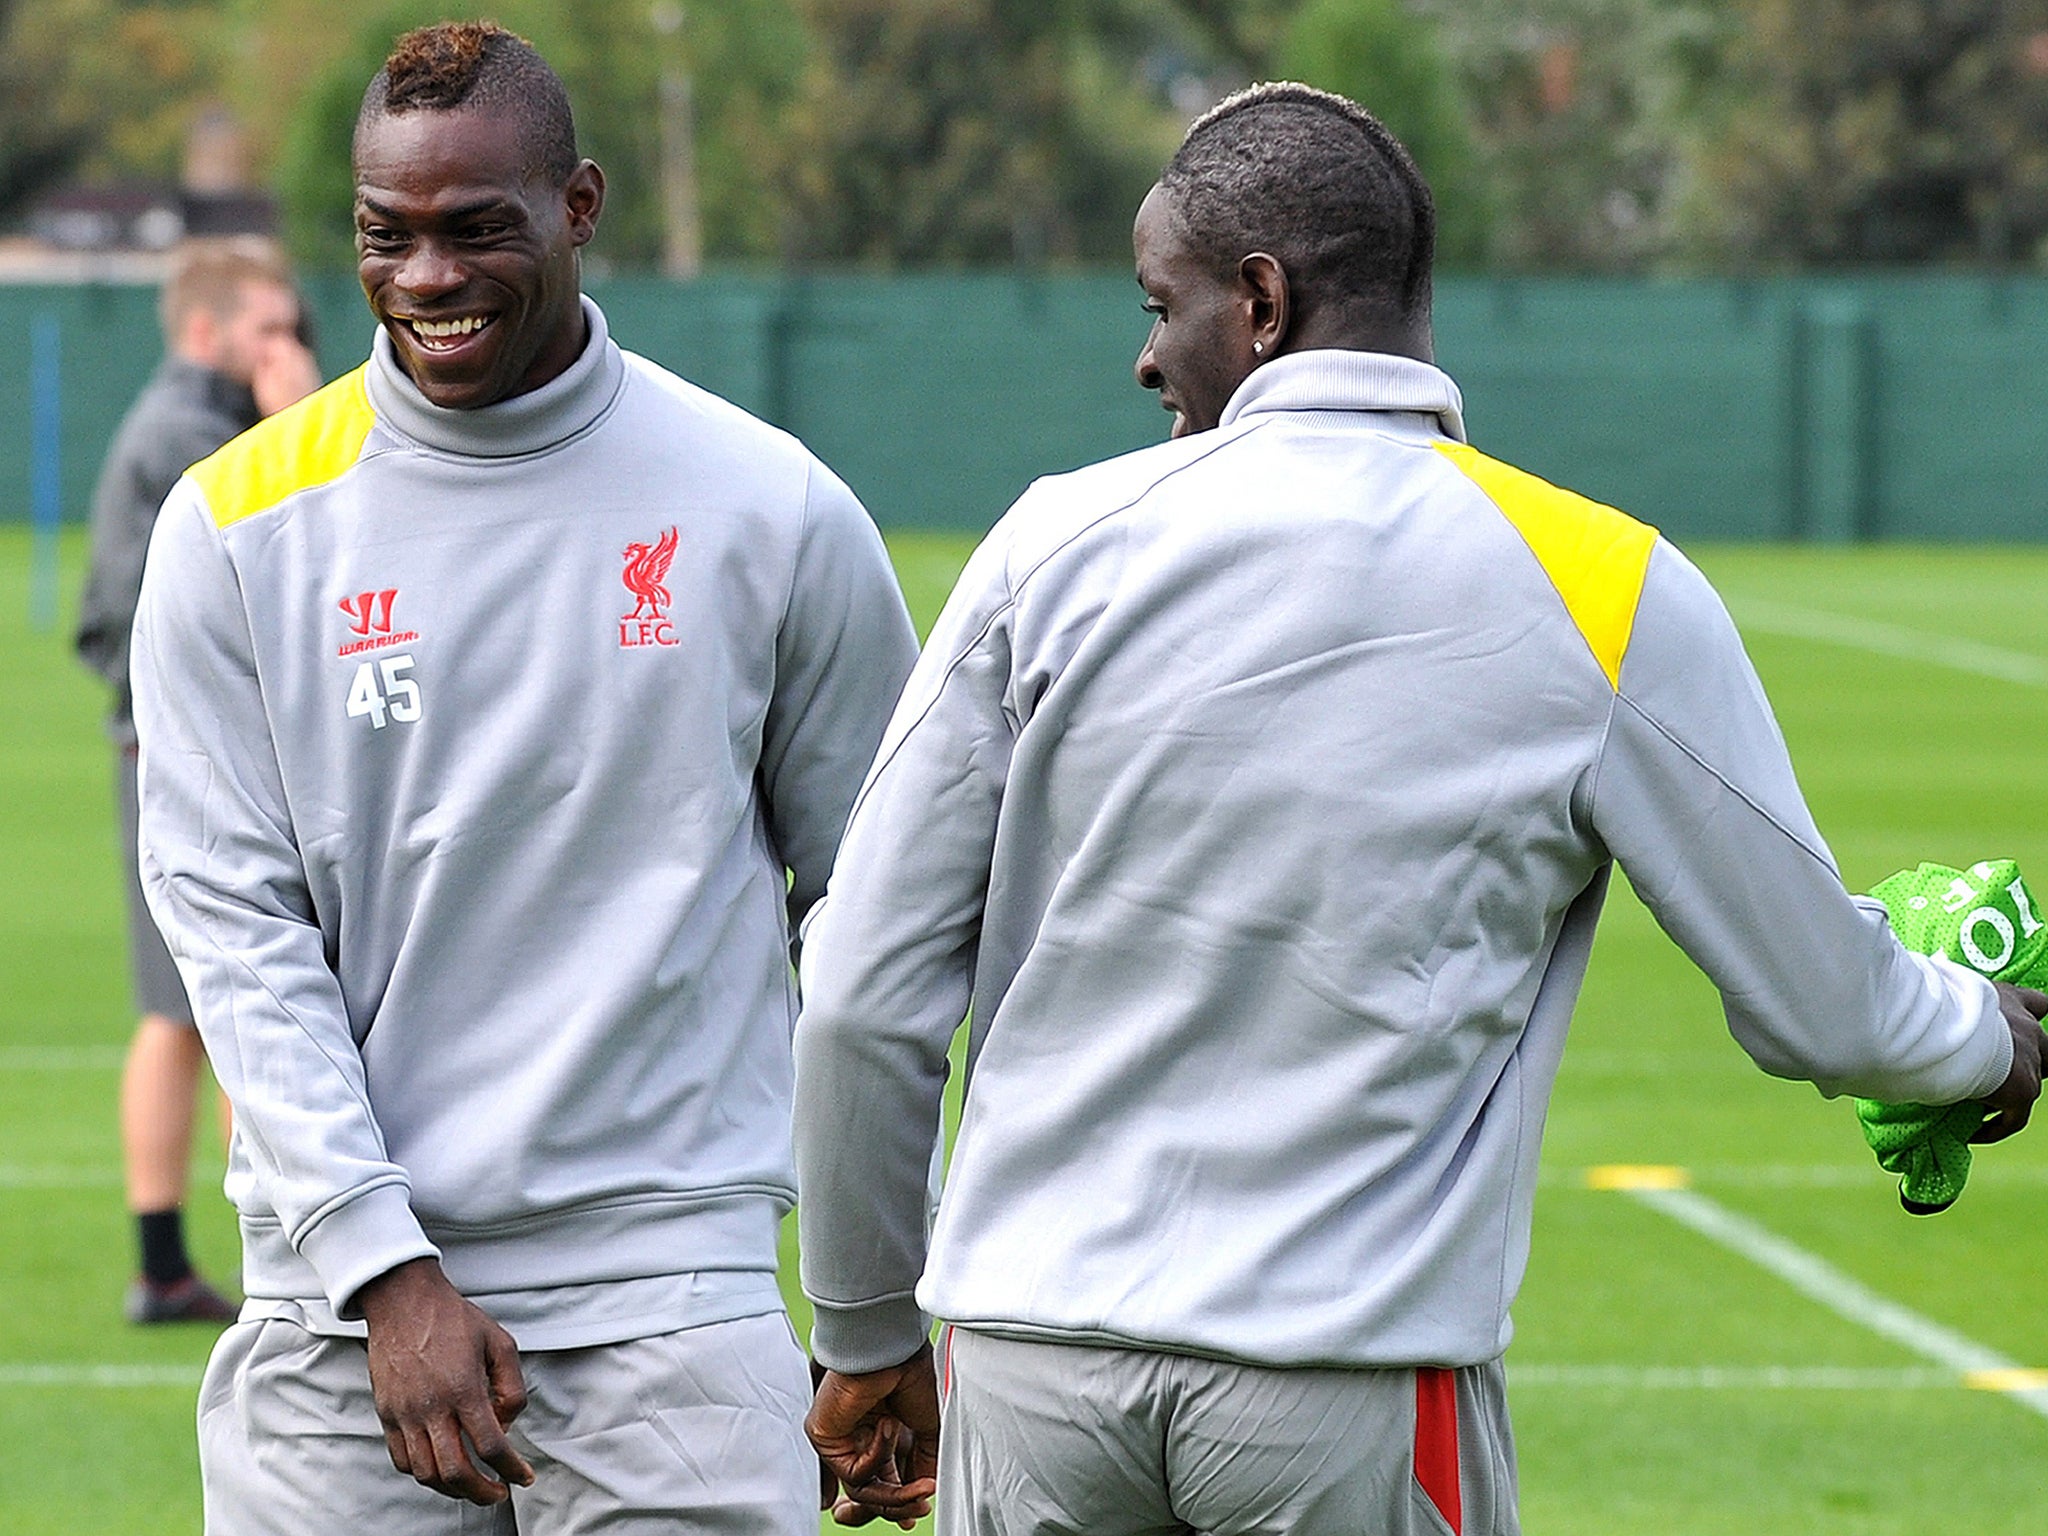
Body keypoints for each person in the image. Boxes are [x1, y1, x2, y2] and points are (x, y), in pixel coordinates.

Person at [790, 82, 2048, 1535]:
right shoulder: (1607, 584)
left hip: (1029, 1376)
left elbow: (863, 996)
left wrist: (868, 1333)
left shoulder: (1049, 544)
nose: (1145, 358)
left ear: (1259, 304)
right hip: (1350, 1391)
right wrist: (1979, 1040)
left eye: (1160, 303)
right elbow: (1823, 1004)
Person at [130, 21, 917, 1535]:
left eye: (475, 229)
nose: (427, 277)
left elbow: (879, 932)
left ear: (580, 207)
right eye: (387, 235)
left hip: (670, 1313)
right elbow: (231, 927)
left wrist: (882, 1299)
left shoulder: (772, 509)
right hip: (332, 1329)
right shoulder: (233, 524)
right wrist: (382, 1265)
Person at [76, 237, 320, 1325]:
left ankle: (170, 1262)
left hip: (178, 754)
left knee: (186, 1016)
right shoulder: (191, 434)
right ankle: (234, 1258)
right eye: (269, 329)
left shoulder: (188, 424)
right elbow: (282, 559)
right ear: (208, 331)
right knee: (211, 1011)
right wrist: (302, 422)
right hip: (183, 763)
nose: (292, 348)